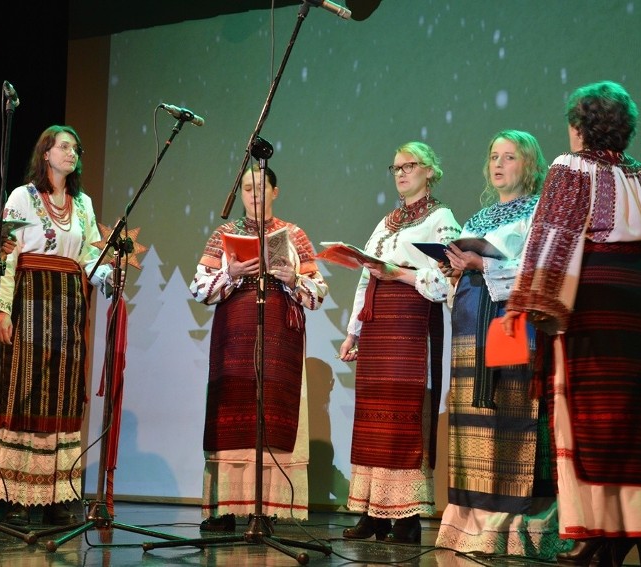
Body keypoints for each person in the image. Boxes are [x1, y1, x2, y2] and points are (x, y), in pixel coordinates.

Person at [503, 81, 641, 566]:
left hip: (593, 297)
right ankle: (620, 532)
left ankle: (598, 529)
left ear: (581, 127)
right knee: (632, 419)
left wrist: (531, 302)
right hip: (640, 299)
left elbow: (553, 235)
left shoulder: (570, 167)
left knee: (587, 417)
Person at [433, 130, 569, 559]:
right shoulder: (479, 219)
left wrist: (483, 263)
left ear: (529, 165)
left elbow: (536, 269)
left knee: (511, 416)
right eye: (494, 156)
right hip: (472, 325)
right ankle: (473, 527)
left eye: (509, 157)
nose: (498, 164)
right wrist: (456, 268)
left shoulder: (538, 214)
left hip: (514, 326)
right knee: (476, 420)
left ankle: (513, 529)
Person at [189, 163, 328, 531]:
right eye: (247, 188)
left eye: (260, 187)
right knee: (232, 411)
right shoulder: (224, 233)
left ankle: (263, 509)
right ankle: (226, 506)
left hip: (279, 333)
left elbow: (317, 295)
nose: (254, 194)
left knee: (271, 413)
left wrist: (293, 277)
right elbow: (199, 289)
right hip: (234, 330)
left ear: (274, 191)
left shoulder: (294, 234)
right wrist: (231, 274)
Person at [0, 125, 116, 527]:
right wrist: (1, 308)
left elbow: (90, 255)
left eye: (75, 148)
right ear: (45, 153)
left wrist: (110, 272)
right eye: (63, 147)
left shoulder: (83, 203)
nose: (71, 153)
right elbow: (8, 255)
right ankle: (18, 495)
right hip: (31, 301)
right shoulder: (22, 197)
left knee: (62, 395)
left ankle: (56, 497)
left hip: (68, 305)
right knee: (25, 390)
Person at [337, 141, 461, 543]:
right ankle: (374, 513)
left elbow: (447, 280)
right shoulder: (385, 222)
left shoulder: (442, 218)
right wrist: (353, 330)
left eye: (410, 166)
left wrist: (399, 274)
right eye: (396, 168)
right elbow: (366, 276)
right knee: (372, 416)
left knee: (404, 416)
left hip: (411, 326)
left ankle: (406, 519)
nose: (402, 173)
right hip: (377, 328)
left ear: (430, 171)